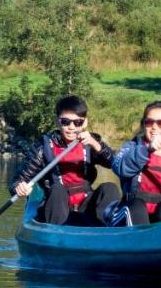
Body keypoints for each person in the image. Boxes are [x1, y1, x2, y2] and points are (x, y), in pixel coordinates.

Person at [12, 95, 120, 226]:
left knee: (109, 188)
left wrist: (96, 145)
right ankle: (58, 237)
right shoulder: (43, 146)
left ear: (85, 122)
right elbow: (19, 179)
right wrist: (19, 187)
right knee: (57, 189)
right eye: (65, 122)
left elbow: (116, 164)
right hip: (57, 206)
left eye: (77, 122)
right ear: (57, 121)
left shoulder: (91, 143)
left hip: (85, 205)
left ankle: (105, 233)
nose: (71, 127)